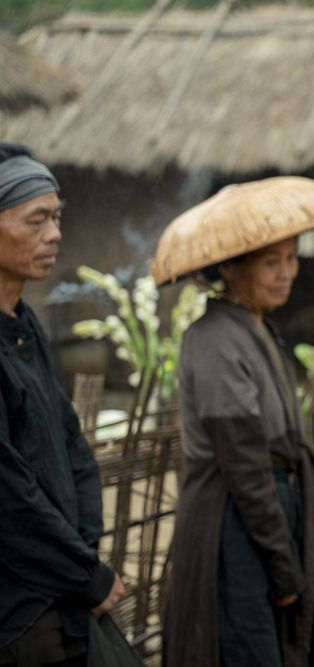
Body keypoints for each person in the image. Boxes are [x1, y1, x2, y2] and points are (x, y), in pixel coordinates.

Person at [161, 178, 314, 667]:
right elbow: (243, 462)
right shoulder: (215, 338)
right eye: (271, 262)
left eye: (292, 258)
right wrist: (281, 565)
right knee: (244, 645)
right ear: (231, 267)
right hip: (234, 522)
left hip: (268, 515)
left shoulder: (257, 327)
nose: (288, 273)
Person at [0, 144, 125, 667]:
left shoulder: (26, 325)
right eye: (36, 219)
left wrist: (83, 548)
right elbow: (8, 492)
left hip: (62, 584)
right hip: (19, 604)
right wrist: (84, 573)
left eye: (57, 217)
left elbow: (73, 446)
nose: (54, 233)